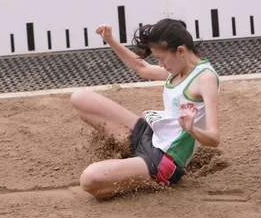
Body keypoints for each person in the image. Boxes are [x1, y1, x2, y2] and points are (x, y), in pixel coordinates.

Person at [70, 18, 221, 199]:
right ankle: (133, 165)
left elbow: (214, 138)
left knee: (89, 179)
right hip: (150, 134)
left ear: (180, 51)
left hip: (164, 159)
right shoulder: (178, 67)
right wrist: (110, 40)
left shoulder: (205, 79)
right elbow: (142, 68)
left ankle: (148, 176)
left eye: (161, 58)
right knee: (80, 98)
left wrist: (191, 128)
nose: (160, 64)